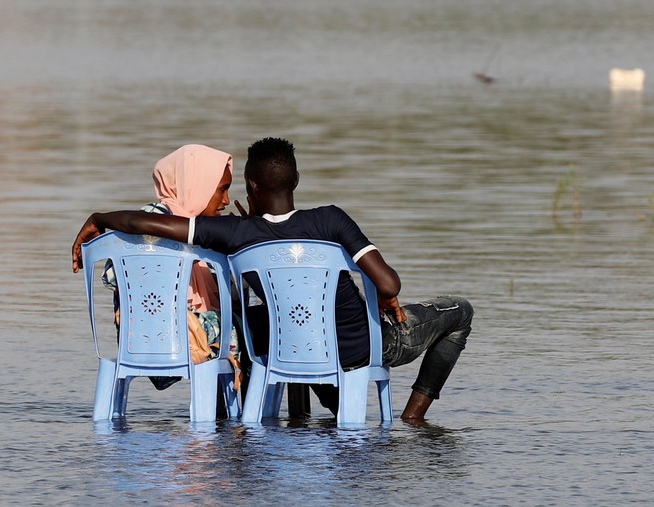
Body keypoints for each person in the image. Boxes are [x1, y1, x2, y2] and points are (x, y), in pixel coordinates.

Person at [73, 137, 472, 423]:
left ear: (252, 187)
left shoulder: (236, 234)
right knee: (460, 313)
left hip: (290, 347)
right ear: (296, 181)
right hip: (364, 349)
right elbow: (389, 285)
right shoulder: (332, 219)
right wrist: (384, 298)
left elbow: (148, 222)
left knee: (271, 319)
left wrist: (100, 219)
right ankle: (413, 419)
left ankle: (309, 415)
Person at [102, 144, 238, 388]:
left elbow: (112, 274)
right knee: (252, 327)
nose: (226, 200)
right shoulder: (167, 225)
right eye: (222, 190)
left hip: (134, 340)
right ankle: (235, 420)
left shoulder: (141, 220)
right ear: (198, 186)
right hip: (177, 337)